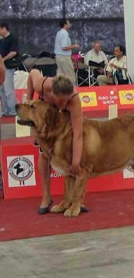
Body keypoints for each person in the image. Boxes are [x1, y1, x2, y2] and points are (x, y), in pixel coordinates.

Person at [25, 70, 86, 214]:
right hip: (45, 118)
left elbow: (78, 135)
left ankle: (76, 199)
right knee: (44, 153)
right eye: (61, 100)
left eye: (67, 100)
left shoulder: (74, 100)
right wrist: (28, 101)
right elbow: (32, 73)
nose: (64, 103)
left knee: (72, 150)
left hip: (64, 120)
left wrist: (76, 163)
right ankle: (46, 197)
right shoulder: (42, 85)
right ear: (52, 94)